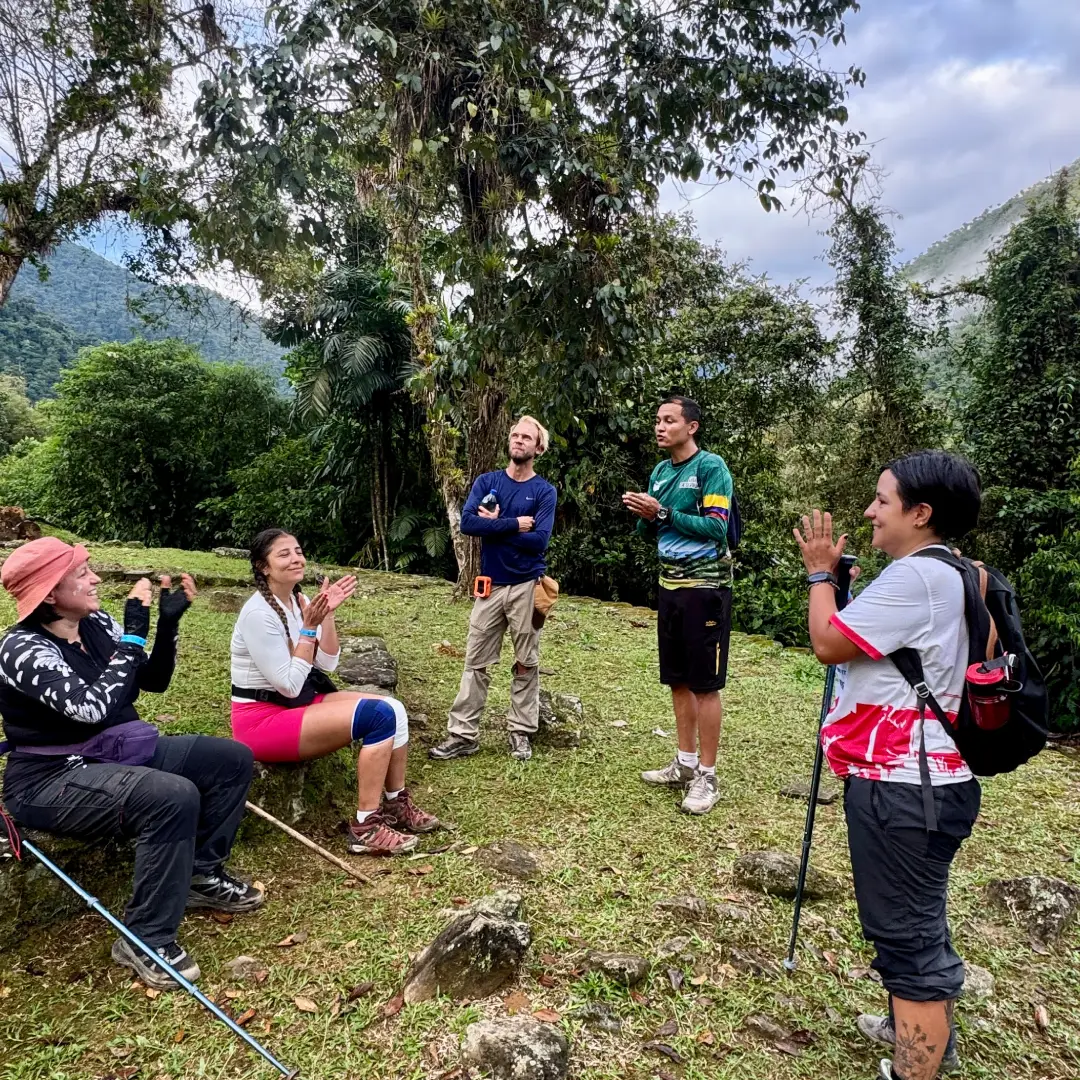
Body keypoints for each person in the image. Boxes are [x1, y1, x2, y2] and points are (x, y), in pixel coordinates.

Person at [0, 537, 263, 992]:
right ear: (48, 594)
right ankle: (144, 937)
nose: (95, 578)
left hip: (116, 750)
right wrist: (135, 635)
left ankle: (201, 873)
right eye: (81, 574)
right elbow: (89, 709)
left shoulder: (96, 623)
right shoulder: (21, 649)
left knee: (230, 759)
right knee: (171, 796)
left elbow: (151, 681)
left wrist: (166, 624)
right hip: (50, 779)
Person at [794, 451, 984, 1080]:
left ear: (920, 513)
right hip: (930, 782)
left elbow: (826, 643)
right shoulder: (949, 572)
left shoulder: (917, 579)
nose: (871, 511)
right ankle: (925, 1031)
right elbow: (860, 640)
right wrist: (842, 590)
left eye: (882, 500)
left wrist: (819, 575)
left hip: (905, 788)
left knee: (908, 939)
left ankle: (916, 1066)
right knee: (917, 918)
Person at [230, 528, 439, 857]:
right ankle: (365, 827)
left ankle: (395, 802)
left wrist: (325, 616)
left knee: (393, 709)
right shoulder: (257, 614)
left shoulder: (300, 601)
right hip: (262, 721)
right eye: (283, 554)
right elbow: (288, 683)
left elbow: (326, 661)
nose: (295, 558)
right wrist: (309, 627)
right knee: (378, 717)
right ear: (263, 566)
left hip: (297, 702)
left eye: (298, 551)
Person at [622, 395, 733, 815]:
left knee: (705, 684)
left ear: (692, 427)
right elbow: (652, 530)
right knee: (678, 680)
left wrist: (663, 511)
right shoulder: (659, 471)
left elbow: (716, 529)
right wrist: (644, 512)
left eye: (669, 420)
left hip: (706, 589)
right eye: (657, 420)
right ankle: (684, 764)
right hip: (670, 587)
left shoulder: (710, 468)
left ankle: (708, 775)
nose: (660, 427)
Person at [429, 416, 557, 762]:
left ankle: (520, 732)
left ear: (538, 447)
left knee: (526, 662)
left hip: (528, 586)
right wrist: (514, 524)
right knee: (476, 662)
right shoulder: (488, 482)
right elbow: (468, 523)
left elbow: (539, 542)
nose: (518, 440)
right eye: (514, 435)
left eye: (526, 437)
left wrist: (494, 526)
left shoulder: (544, 491)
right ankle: (462, 734)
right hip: (490, 585)